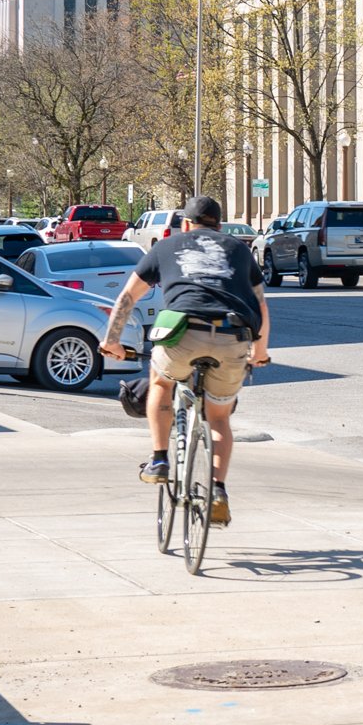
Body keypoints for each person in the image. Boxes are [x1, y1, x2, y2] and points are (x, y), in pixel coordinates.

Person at [101, 193, 268, 525]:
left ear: (185, 223)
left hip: (182, 332)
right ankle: (218, 491)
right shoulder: (238, 250)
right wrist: (259, 352)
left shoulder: (167, 246)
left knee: (160, 380)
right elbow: (261, 307)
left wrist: (112, 342)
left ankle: (160, 459)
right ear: (220, 225)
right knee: (219, 418)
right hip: (231, 333)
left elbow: (127, 297)